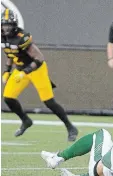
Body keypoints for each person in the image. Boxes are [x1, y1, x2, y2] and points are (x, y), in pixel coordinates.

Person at [1, 9, 78, 141]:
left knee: (49, 101)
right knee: (8, 97)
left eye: (9, 25)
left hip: (36, 69)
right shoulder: (3, 37)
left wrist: (25, 72)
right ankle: (26, 120)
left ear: (14, 25)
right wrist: (7, 70)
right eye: (4, 25)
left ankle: (70, 127)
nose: (6, 28)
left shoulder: (22, 37)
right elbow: (10, 54)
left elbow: (39, 58)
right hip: (20, 69)